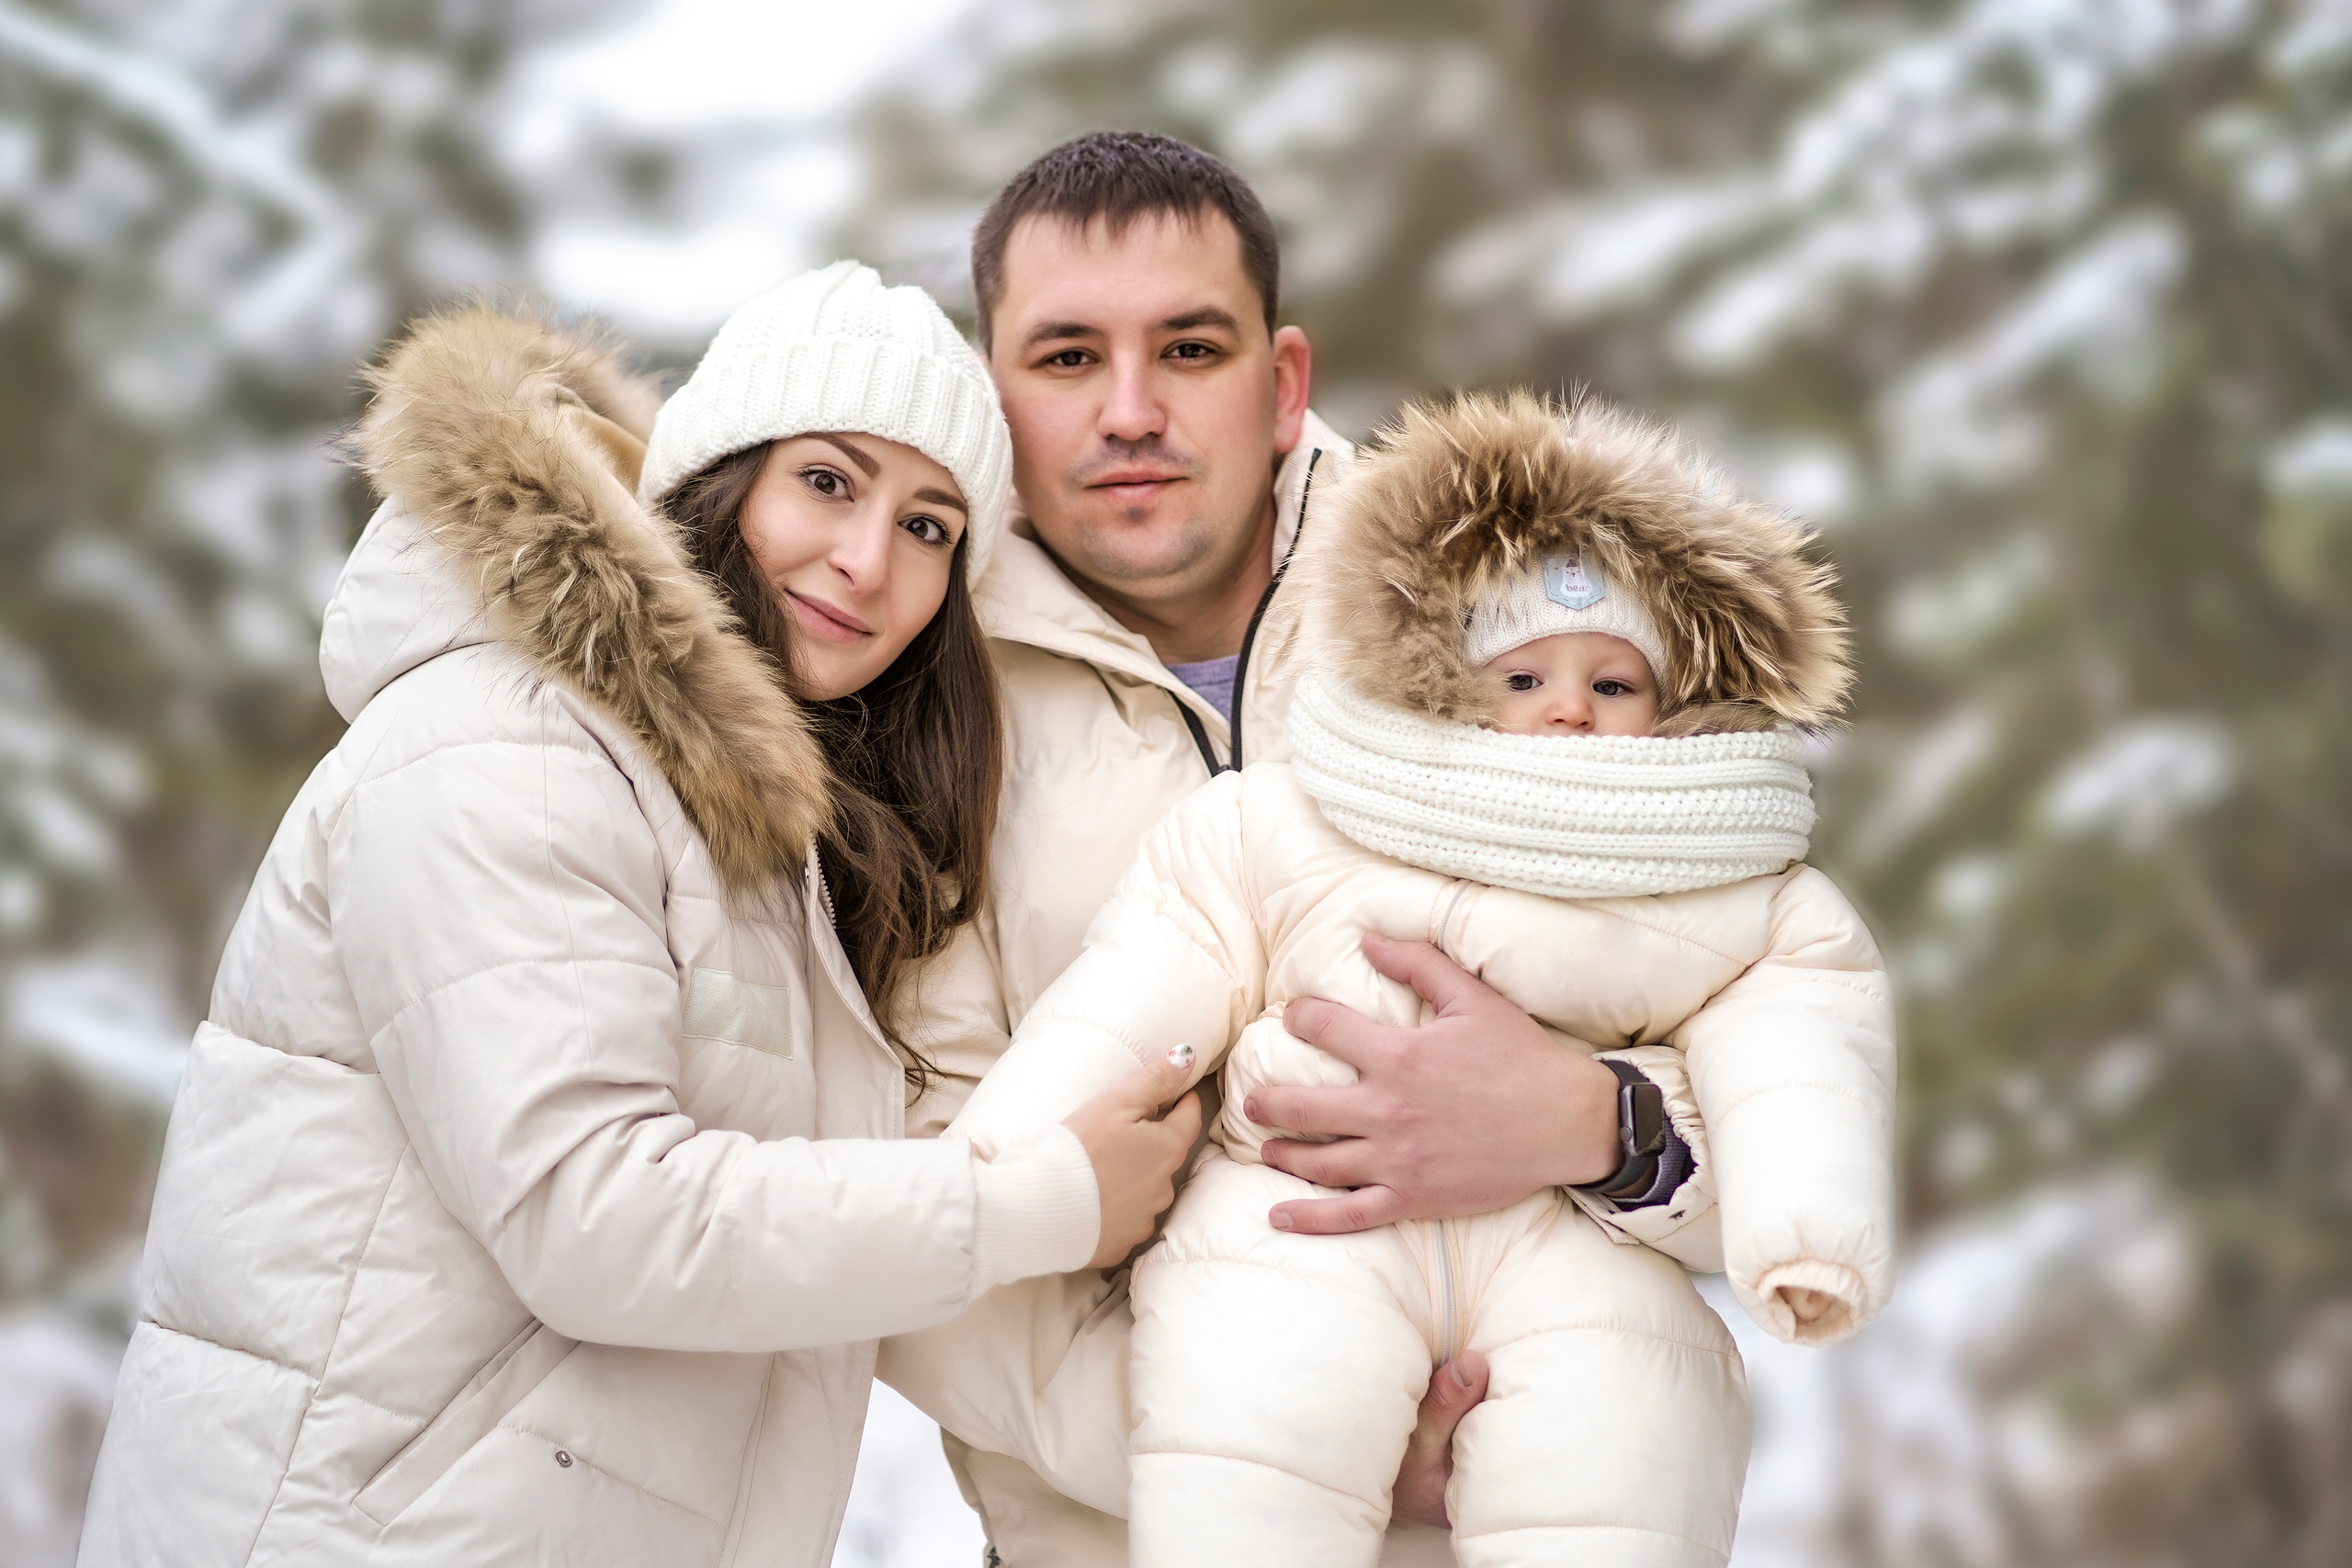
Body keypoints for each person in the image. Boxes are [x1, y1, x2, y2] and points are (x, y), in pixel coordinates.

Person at [73, 262, 1199, 1567]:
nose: (867, 561)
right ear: (723, 478)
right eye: (826, 481)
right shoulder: (512, 739)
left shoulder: (755, 837)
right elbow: (594, 1214)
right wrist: (1037, 1203)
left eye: (930, 527)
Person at [876, 132, 1727, 1565]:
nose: (1131, 411)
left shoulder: (1518, 619)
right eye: (1069, 357)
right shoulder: (907, 692)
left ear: (1279, 383)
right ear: (990, 388)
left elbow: (1779, 1035)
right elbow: (910, 1214)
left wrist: (1604, 1121)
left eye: (1188, 349)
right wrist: (1296, 1449)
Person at [949, 389, 1898, 1566]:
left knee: (1618, 1453)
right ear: (1445, 682)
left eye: (1612, 686)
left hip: (1583, 1260)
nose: (1567, 711)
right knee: (1249, 1421)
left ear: (1676, 709)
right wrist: (1002, 1157)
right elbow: (1140, 983)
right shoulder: (1286, 819)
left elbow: (1800, 1055)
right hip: (1301, 1219)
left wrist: (1805, 1228)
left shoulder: (1728, 878)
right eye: (1522, 679)